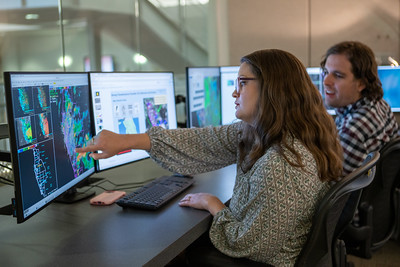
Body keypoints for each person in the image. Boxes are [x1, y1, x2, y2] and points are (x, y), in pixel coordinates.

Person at [76, 49, 343, 266]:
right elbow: (202, 142)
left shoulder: (280, 163)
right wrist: (126, 141)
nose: (234, 92)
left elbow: (247, 245)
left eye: (243, 83)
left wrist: (214, 204)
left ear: (273, 88)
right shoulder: (278, 134)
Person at [320, 41, 399, 176]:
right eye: (326, 72)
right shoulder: (379, 104)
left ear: (361, 83)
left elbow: (326, 185)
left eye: (338, 75)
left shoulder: (354, 130)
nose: (326, 81)